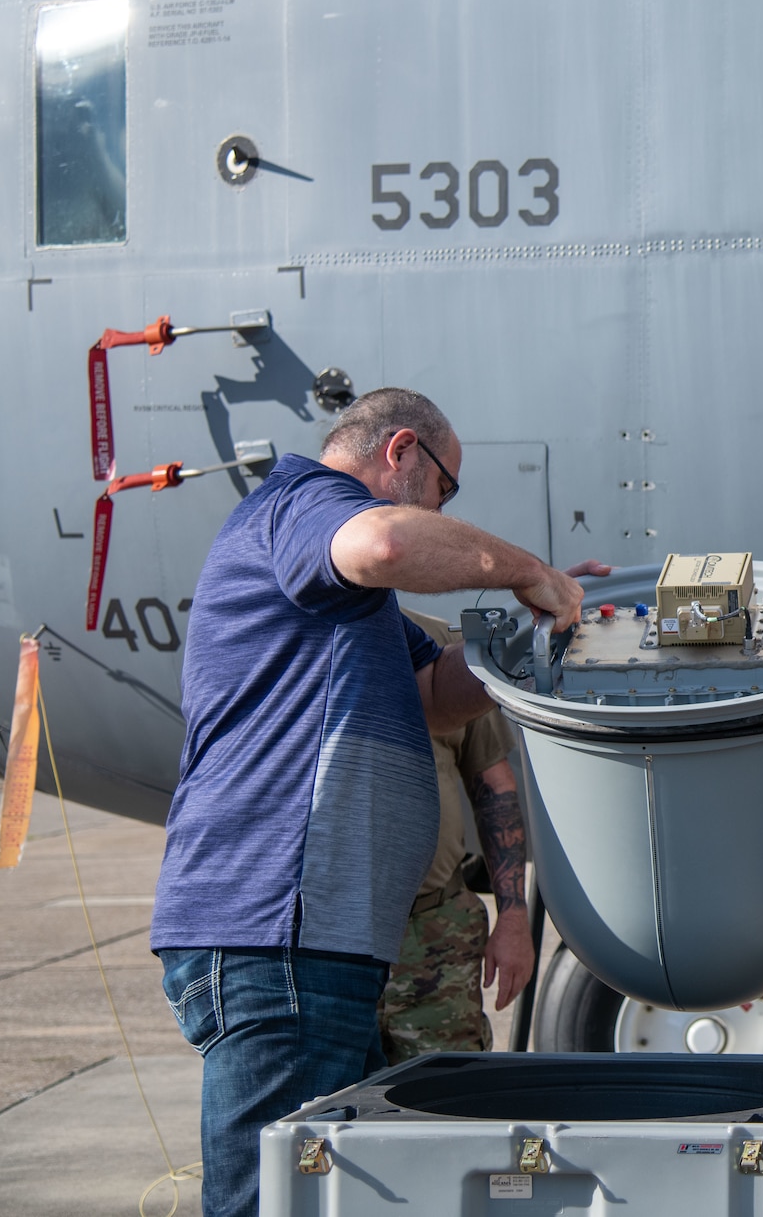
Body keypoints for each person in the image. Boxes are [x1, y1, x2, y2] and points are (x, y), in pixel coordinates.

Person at [148, 388, 585, 1217]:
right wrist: (527, 568)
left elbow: (437, 695)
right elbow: (384, 540)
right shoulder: (305, 505)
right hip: (278, 937)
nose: (445, 509)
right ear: (402, 453)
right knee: (270, 1202)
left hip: (323, 942)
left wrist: (540, 639)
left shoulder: (360, 613)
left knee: (322, 1201)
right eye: (445, 489)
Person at [378, 611, 546, 1062]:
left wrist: (512, 917)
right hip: (331, 943)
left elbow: (493, 785)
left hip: (435, 930)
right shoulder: (292, 646)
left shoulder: (440, 648)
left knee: (445, 1103)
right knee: (330, 1115)